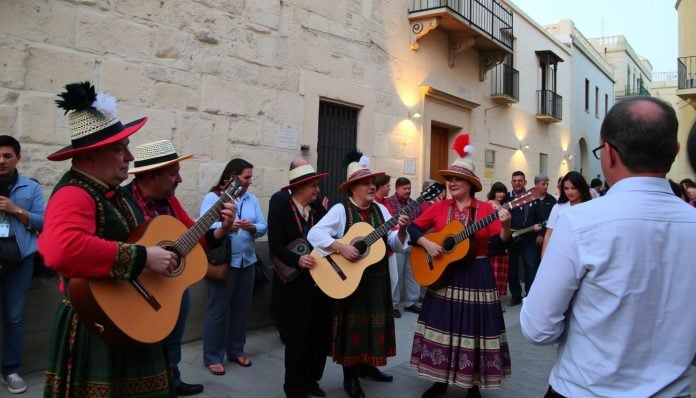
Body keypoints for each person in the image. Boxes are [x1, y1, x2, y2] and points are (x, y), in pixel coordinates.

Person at [521, 97, 696, 397]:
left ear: (610, 154)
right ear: (675, 151)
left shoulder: (580, 222)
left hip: (584, 389)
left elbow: (538, 328)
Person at [40, 81, 175, 397]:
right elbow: (62, 250)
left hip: (128, 315)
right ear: (88, 156)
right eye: (119, 149)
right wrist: (143, 258)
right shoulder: (74, 193)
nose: (129, 156)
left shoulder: (111, 192)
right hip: (95, 323)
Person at [124, 140, 236, 396]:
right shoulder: (125, 203)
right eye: (174, 172)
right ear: (153, 175)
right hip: (137, 292)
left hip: (173, 284)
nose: (180, 179)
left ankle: (172, 380)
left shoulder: (171, 203)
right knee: (144, 343)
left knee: (174, 336)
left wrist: (222, 230)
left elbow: (193, 238)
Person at [410, 134, 511, 398]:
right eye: (449, 179)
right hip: (444, 275)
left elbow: (500, 243)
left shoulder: (485, 209)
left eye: (457, 179)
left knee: (474, 329)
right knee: (443, 326)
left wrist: (507, 223)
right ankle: (439, 380)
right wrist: (426, 243)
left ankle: (472, 383)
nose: (451, 183)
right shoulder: (440, 207)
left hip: (477, 274)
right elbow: (413, 227)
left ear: (470, 184)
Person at [307, 151, 409, 398]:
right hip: (350, 281)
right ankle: (350, 378)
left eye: (373, 182)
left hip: (376, 280)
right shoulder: (341, 210)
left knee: (373, 328)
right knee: (352, 329)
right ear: (353, 188)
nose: (372, 186)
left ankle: (369, 366)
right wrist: (341, 246)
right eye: (366, 182)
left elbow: (394, 243)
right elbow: (315, 235)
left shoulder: (382, 211)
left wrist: (403, 229)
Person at [268, 163, 332, 398]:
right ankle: (295, 389)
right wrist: (297, 260)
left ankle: (312, 380)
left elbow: (328, 238)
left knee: (320, 337)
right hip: (294, 286)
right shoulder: (280, 208)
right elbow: (274, 244)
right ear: (299, 188)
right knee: (297, 340)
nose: (317, 190)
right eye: (313, 186)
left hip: (320, 283)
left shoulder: (318, 211)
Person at [201, 158, 267, 375]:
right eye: (246, 177)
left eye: (250, 177)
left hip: (247, 262)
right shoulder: (213, 197)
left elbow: (263, 226)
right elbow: (205, 225)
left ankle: (236, 351)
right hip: (223, 263)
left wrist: (251, 227)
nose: (249, 181)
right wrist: (227, 225)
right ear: (232, 177)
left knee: (241, 309)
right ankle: (213, 356)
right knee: (217, 310)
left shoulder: (251, 199)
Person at [0, 135, 44, 394]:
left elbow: (44, 222)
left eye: (7, 156)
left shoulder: (31, 187)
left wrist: (16, 209)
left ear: (18, 158)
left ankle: (11, 370)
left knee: (14, 318)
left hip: (20, 261)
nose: (2, 160)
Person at [504, 171, 543, 306]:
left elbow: (540, 217)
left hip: (529, 238)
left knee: (530, 267)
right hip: (512, 239)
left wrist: (540, 235)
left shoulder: (532, 197)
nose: (517, 183)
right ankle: (516, 296)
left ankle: (530, 295)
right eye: (515, 181)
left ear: (525, 182)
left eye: (520, 180)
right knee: (512, 268)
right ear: (511, 182)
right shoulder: (506, 198)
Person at [384, 177, 420, 318]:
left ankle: (411, 302)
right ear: (397, 188)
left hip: (411, 241)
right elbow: (389, 222)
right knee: (397, 273)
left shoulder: (413, 203)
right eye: (404, 188)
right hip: (397, 240)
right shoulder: (389, 202)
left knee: (413, 273)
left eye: (409, 188)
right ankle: (393, 304)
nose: (408, 191)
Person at [540, 171, 591, 257]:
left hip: (584, 252)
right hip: (561, 252)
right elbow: (549, 233)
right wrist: (543, 258)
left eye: (573, 188)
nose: (569, 192)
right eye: (566, 188)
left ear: (581, 188)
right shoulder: (558, 207)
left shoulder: (590, 207)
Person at [486, 181, 509, 299]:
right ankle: (490, 298)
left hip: (502, 240)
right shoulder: (487, 204)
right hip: (490, 241)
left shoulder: (505, 206)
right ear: (493, 192)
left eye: (503, 192)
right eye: (499, 191)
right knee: (491, 272)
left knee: (500, 270)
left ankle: (497, 299)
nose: (501, 194)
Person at [532, 174, 556, 252]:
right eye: (543, 184)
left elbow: (553, 220)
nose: (546, 186)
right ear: (536, 184)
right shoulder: (529, 199)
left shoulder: (552, 200)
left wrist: (542, 234)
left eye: (547, 184)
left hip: (548, 237)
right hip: (531, 237)